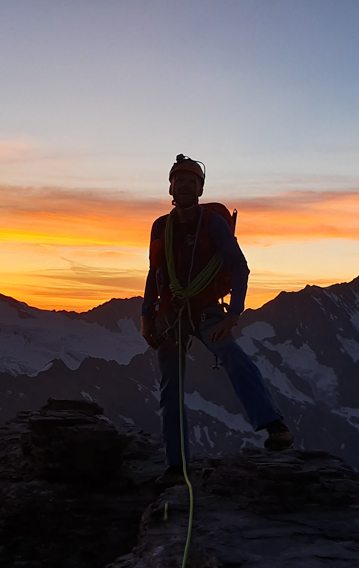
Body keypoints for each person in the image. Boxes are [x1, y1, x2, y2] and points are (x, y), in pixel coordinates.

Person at [142, 154, 294, 487]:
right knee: (170, 388)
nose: (184, 185)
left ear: (199, 188)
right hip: (171, 313)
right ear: (171, 186)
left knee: (231, 354)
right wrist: (146, 316)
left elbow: (239, 266)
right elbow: (155, 273)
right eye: (179, 180)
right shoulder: (161, 227)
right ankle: (176, 466)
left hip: (207, 310)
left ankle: (275, 425)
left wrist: (235, 315)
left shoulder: (212, 223)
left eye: (191, 181)